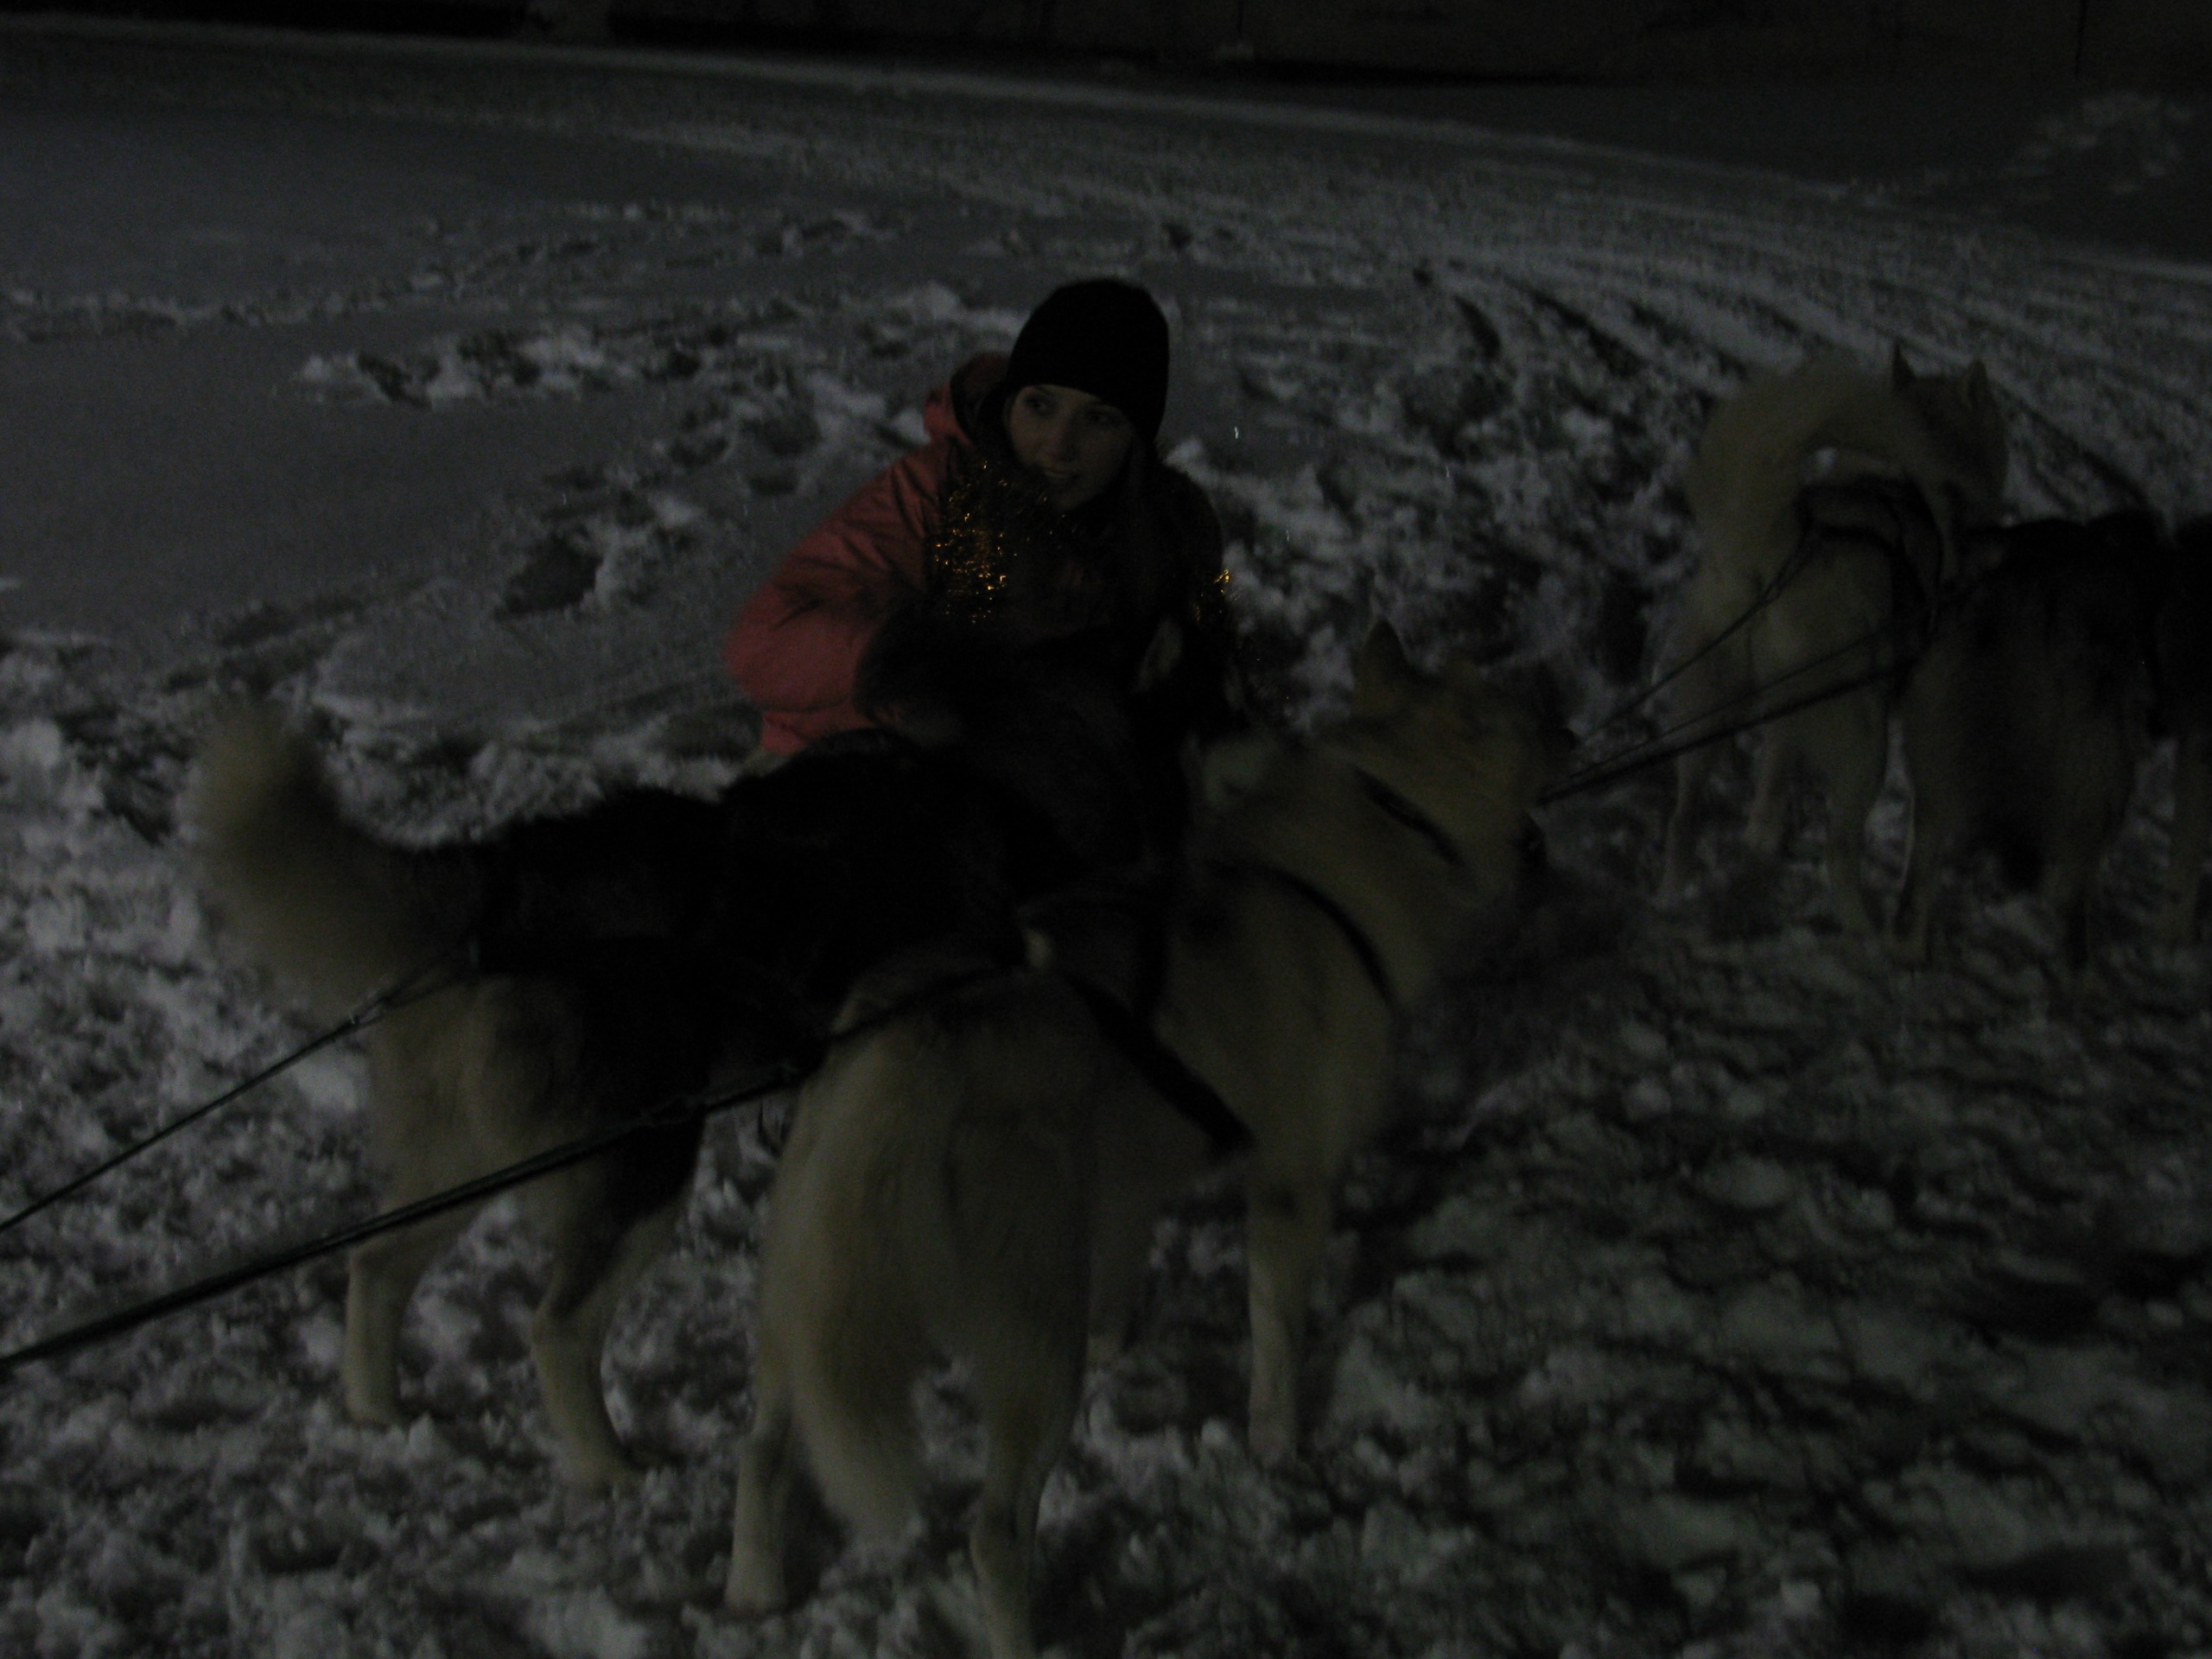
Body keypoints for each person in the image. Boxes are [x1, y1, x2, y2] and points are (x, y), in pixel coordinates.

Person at [724, 278, 1237, 756]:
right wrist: (931, 655)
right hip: (858, 759)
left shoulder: (1174, 522)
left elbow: (1211, 655)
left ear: (1135, 440)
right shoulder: (940, 490)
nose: (1059, 445)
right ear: (1011, 404)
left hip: (1047, 772)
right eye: (1040, 407)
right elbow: (765, 644)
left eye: (1098, 419)